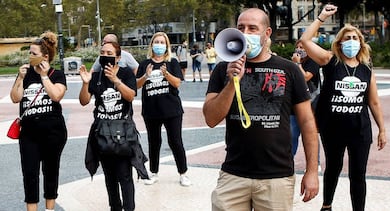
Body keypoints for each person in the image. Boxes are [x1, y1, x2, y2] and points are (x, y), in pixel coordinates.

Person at [203, 8, 319, 210]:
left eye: (252, 28)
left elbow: (307, 121)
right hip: (234, 174)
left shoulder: (289, 69)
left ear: (267, 33)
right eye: (241, 28)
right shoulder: (223, 69)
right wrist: (232, 83)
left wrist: (312, 171)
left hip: (276, 176)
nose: (245, 33)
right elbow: (211, 119)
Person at [300, 4, 386, 211]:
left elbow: (373, 102)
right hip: (333, 129)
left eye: (355, 38)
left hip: (360, 130)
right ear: (339, 43)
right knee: (333, 168)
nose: (351, 42)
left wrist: (382, 129)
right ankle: (327, 205)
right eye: (347, 38)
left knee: (358, 174)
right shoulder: (330, 61)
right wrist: (321, 17)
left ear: (361, 43)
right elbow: (305, 40)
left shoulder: (367, 70)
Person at [79, 41, 148, 211]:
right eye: (102, 52)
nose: (105, 55)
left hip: (123, 134)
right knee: (109, 178)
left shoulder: (125, 74)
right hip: (102, 133)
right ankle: (115, 207)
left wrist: (115, 80)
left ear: (118, 57)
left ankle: (129, 208)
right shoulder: (96, 76)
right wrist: (86, 83)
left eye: (109, 53)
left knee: (125, 176)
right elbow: (84, 101)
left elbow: (130, 96)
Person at [9, 31, 67, 211]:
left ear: (45, 56)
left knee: (50, 172)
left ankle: (50, 208)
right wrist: (19, 78)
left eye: (34, 53)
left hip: (53, 132)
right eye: (30, 53)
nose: (30, 56)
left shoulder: (57, 75)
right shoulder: (26, 74)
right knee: (30, 173)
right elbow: (15, 98)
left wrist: (44, 76)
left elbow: (56, 95)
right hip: (29, 133)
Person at [136, 32, 192, 187]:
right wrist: (146, 76)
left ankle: (183, 173)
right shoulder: (144, 64)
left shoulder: (172, 62)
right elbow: (137, 85)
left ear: (166, 46)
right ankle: (154, 172)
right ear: (151, 44)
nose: (159, 45)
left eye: (162, 42)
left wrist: (166, 73)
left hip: (172, 110)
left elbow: (177, 83)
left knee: (175, 141)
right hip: (151, 110)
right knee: (154, 142)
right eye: (156, 41)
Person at [290, 40, 322, 172]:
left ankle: (315, 163)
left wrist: (297, 63)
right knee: (291, 134)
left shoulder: (313, 62)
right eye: (297, 47)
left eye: (301, 47)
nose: (299, 49)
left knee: (310, 134)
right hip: (293, 105)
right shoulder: (293, 63)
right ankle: (288, 160)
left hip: (311, 104)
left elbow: (306, 77)